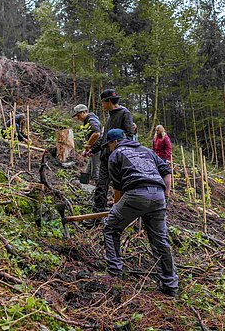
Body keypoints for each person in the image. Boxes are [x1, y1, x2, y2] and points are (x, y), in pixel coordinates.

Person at [103, 128, 179, 297]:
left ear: (113, 142)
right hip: (158, 195)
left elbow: (118, 189)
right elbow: (166, 172)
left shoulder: (116, 154)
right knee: (160, 240)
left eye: (108, 145)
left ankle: (114, 274)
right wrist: (165, 195)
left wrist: (117, 209)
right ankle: (170, 285)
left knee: (110, 227)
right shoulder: (147, 150)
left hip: (135, 194)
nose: (109, 148)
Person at [88, 89, 134, 213]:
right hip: (105, 157)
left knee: (119, 187)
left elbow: (129, 136)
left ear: (108, 101)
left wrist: (118, 151)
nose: (102, 105)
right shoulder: (109, 116)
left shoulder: (124, 113)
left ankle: (119, 214)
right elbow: (104, 137)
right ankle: (97, 213)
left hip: (118, 159)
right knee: (101, 186)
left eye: (103, 102)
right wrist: (93, 149)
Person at [72, 104, 101, 182]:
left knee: (95, 172)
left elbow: (96, 133)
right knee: (87, 171)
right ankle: (84, 188)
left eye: (78, 115)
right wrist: (88, 149)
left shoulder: (92, 120)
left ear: (83, 112)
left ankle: (98, 191)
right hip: (94, 149)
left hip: (98, 149)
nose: (77, 118)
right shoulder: (87, 121)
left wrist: (88, 145)